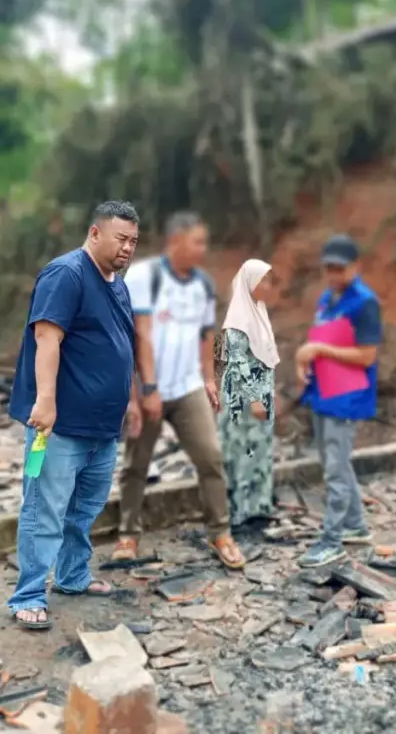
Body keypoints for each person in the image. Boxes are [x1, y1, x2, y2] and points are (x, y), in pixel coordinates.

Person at [7, 200, 144, 630]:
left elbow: (124, 346)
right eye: (121, 239)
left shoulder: (118, 284)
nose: (127, 248)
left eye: (134, 242)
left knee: (85, 507)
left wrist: (132, 400)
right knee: (44, 508)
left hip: (103, 425)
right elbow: (48, 337)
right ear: (95, 232)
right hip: (61, 424)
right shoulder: (66, 274)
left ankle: (71, 576)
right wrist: (45, 400)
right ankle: (28, 594)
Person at [113, 211, 245, 569]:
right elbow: (139, 334)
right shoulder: (145, 276)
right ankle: (128, 534)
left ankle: (220, 532)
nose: (203, 249)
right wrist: (144, 392)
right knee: (136, 464)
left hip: (187, 388)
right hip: (148, 387)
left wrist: (208, 378)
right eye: (197, 242)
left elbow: (206, 334)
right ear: (175, 242)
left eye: (205, 242)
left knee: (211, 457)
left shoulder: (202, 284)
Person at [295, 235, 382, 568]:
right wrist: (305, 360)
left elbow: (366, 355)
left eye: (339, 269)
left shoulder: (364, 303)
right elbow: (319, 338)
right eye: (328, 268)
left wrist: (320, 351)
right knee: (338, 462)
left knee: (334, 468)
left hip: (346, 396)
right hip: (322, 391)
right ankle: (356, 526)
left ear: (356, 267)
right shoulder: (327, 298)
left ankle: (332, 540)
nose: (332, 274)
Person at [219, 259, 280, 532]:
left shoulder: (258, 312)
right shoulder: (238, 318)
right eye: (262, 280)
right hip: (242, 398)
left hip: (260, 394)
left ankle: (259, 508)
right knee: (242, 452)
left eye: (269, 281)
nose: (267, 286)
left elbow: (265, 356)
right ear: (249, 283)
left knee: (259, 452)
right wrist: (255, 398)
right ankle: (241, 514)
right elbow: (236, 362)